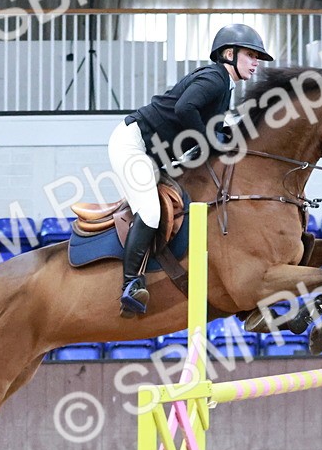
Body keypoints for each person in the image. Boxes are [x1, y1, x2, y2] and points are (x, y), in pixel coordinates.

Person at [107, 23, 273, 317]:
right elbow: (186, 109)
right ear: (229, 54)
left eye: (257, 57)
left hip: (153, 156)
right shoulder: (214, 78)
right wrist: (209, 139)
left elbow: (217, 130)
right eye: (251, 55)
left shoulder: (225, 87)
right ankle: (130, 284)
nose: (256, 62)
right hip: (132, 147)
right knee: (150, 211)